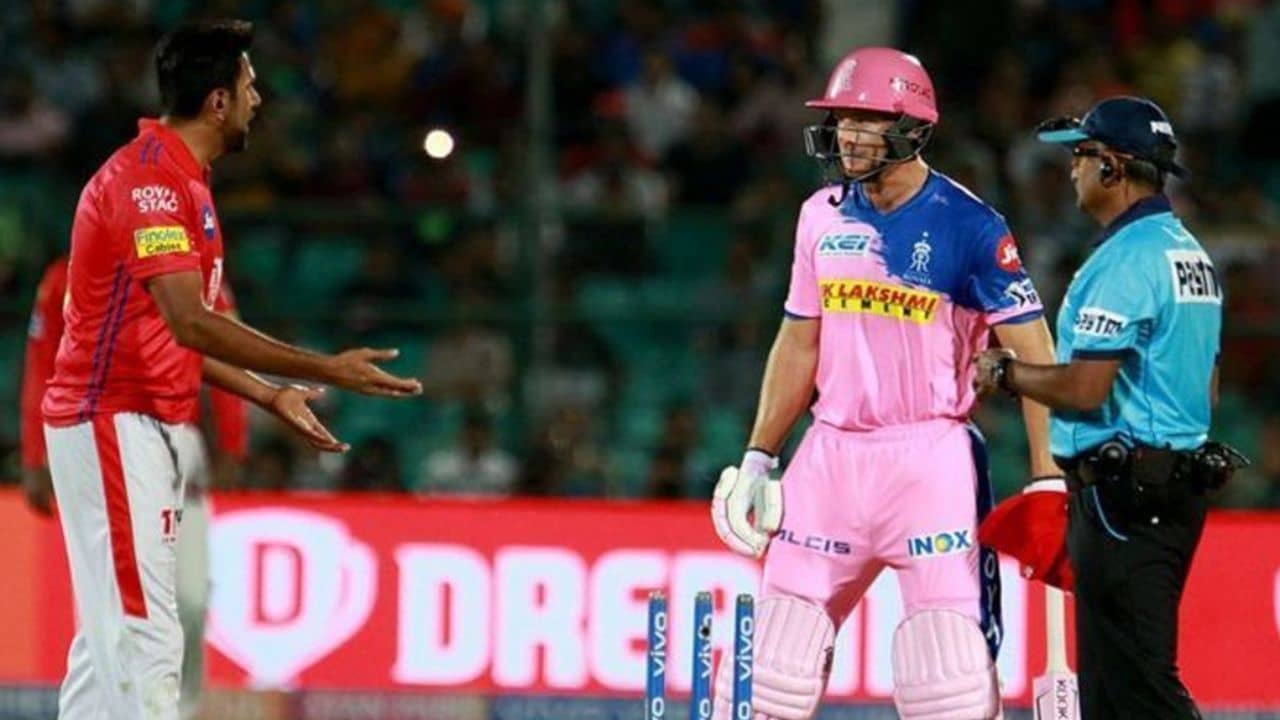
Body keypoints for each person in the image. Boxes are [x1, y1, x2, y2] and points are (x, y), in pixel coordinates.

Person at [42, 20, 422, 720]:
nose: (259, 100)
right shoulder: (150, 183)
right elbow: (192, 322)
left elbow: (173, 334)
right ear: (217, 101)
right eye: (250, 85)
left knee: (107, 650)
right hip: (110, 421)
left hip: (134, 424)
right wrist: (328, 369)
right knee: (146, 638)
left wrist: (268, 394)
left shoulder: (182, 179)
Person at [709, 47, 1063, 720]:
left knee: (947, 685)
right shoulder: (821, 214)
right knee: (763, 681)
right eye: (842, 118)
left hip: (929, 463)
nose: (848, 134)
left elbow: (1035, 352)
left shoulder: (971, 226)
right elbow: (799, 339)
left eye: (867, 119)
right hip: (830, 457)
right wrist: (758, 456)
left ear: (913, 127)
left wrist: (1047, 480)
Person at [974, 96, 1240, 719]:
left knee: (1140, 689)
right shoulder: (1190, 255)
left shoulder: (1124, 262)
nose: (1072, 169)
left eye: (1081, 155)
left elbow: (1086, 388)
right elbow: (1207, 388)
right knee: (1114, 694)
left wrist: (1006, 372)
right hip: (1170, 490)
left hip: (1126, 501)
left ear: (1113, 166)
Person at [21, 255, 248, 720]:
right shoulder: (64, 278)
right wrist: (33, 455)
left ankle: (180, 709)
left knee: (189, 598)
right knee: (107, 601)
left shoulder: (190, 268)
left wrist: (232, 441)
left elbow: (222, 343)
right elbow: (42, 364)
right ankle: (113, 709)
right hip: (99, 438)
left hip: (177, 439)